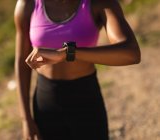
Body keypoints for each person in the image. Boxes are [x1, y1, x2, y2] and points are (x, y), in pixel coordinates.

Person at [14, 0, 141, 139]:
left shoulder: (99, 3)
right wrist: (25, 119)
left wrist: (68, 53)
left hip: (86, 101)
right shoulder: (28, 4)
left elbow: (131, 53)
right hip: (46, 102)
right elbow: (21, 62)